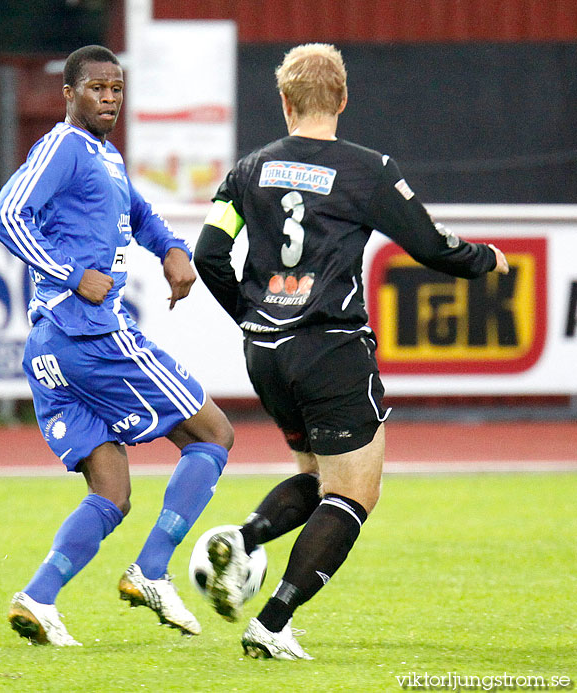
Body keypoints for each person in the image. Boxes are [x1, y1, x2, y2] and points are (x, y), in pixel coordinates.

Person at [194, 43, 509, 660]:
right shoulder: (368, 169)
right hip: (332, 350)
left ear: (284, 102)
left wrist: (254, 316)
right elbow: (430, 245)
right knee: (355, 493)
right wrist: (485, 260)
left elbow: (209, 253)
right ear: (341, 99)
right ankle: (275, 621)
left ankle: (246, 536)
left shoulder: (248, 169)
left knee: (317, 477)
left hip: (266, 353)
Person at [0, 45, 234, 646]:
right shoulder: (64, 147)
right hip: (89, 334)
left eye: (116, 90)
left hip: (50, 349)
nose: (108, 99)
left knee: (112, 492)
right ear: (68, 95)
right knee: (214, 434)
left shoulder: (105, 156)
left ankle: (39, 597)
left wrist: (173, 248)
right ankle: (151, 571)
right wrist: (73, 273)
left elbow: (140, 215)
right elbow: (6, 215)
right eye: (96, 89)